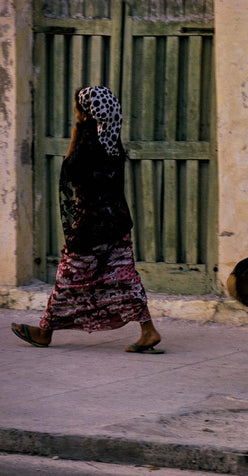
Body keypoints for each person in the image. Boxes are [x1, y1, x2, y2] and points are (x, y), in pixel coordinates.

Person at [11, 86, 163, 354]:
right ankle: (148, 330)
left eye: (77, 109)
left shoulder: (87, 144)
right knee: (124, 278)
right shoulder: (112, 141)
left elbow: (70, 172)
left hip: (90, 228)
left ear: (86, 114)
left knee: (68, 277)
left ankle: (45, 332)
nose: (76, 114)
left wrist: (75, 133)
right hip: (116, 225)